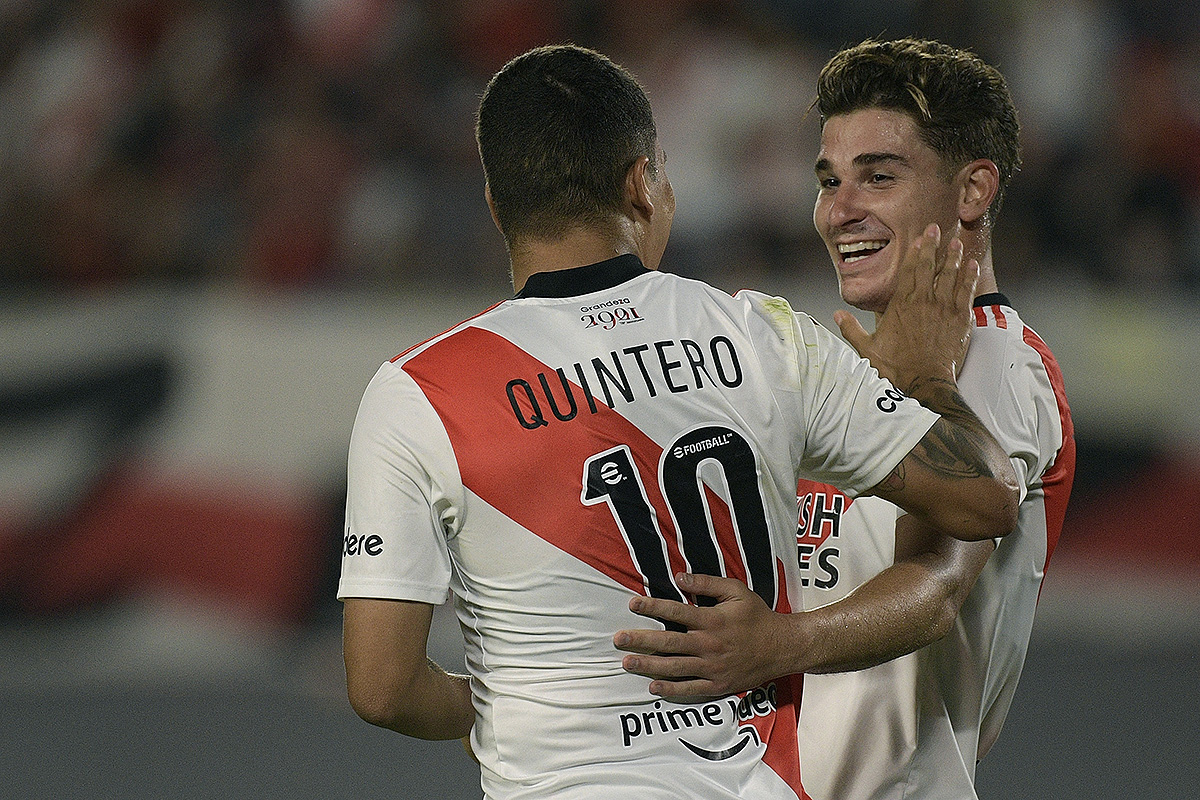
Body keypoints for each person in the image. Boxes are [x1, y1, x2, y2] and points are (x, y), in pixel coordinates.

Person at [338, 43, 1019, 800]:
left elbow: (381, 689)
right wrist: (925, 374)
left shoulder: (419, 391)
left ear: (498, 206)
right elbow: (987, 495)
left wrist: (516, 705)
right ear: (640, 184)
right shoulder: (762, 335)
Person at [614, 38, 1076, 800]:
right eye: (829, 180)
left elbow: (938, 589)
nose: (840, 211)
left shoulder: (1004, 367)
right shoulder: (834, 365)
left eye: (879, 177)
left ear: (972, 192)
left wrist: (775, 646)